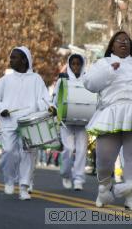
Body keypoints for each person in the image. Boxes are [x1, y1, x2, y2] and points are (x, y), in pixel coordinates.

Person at [84, 31, 132, 211]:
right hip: (111, 111)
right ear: (112, 45)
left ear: (131, 45)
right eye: (119, 40)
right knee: (104, 160)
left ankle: (131, 197)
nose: (123, 42)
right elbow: (90, 84)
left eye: (126, 40)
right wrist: (110, 70)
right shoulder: (103, 62)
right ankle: (104, 188)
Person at [0, 46, 55, 200]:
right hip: (9, 122)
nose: (10, 60)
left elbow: (43, 99)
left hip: (29, 124)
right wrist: (2, 108)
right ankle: (9, 180)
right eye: (11, 57)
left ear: (24, 60)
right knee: (9, 151)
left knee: (28, 154)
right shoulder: (5, 80)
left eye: (14, 57)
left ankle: (24, 186)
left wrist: (50, 107)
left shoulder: (36, 79)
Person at [52, 54, 88, 191]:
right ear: (69, 65)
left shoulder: (87, 80)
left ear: (82, 65)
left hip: (83, 121)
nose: (76, 67)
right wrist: (56, 111)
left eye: (78, 64)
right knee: (68, 148)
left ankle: (78, 178)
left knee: (81, 150)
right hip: (66, 121)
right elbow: (55, 101)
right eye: (73, 64)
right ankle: (66, 174)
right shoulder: (63, 80)